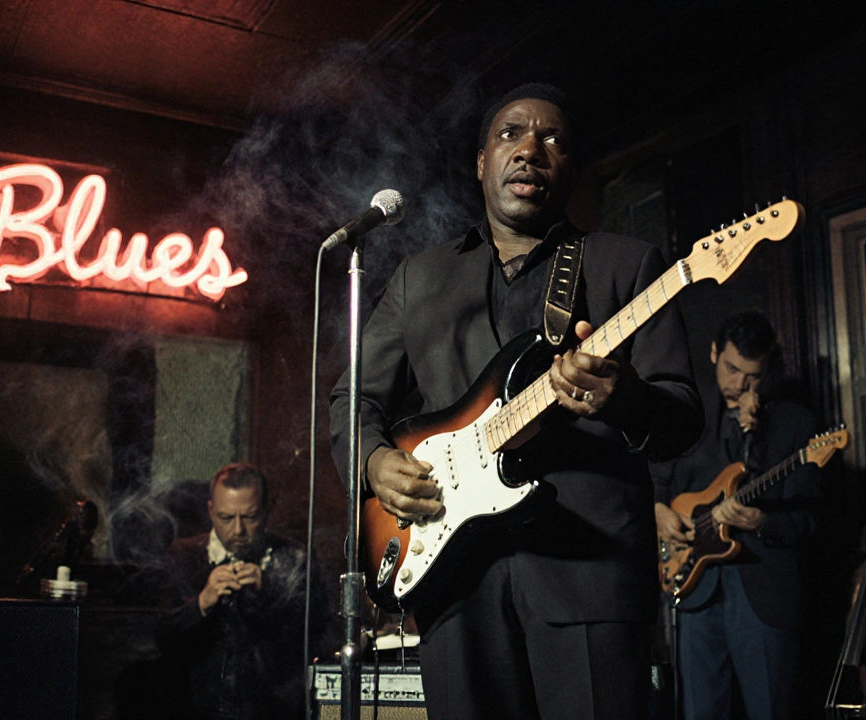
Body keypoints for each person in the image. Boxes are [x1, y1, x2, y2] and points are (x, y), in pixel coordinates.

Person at [329, 83, 702, 720]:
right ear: (481, 163)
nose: (530, 149)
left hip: (589, 575)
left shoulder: (628, 265)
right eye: (510, 135)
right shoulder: (419, 276)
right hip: (451, 579)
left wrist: (625, 398)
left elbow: (683, 416)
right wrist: (372, 461)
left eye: (552, 139)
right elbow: (352, 398)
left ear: (572, 170)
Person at [651, 312, 820, 720]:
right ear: (712, 353)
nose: (739, 384)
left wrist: (760, 521)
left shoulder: (796, 425)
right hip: (693, 587)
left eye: (752, 375)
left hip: (763, 594)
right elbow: (656, 478)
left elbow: (812, 521)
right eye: (731, 369)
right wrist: (657, 511)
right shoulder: (687, 415)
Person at [154, 462, 324, 720]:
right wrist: (202, 602)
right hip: (195, 710)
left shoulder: (295, 557)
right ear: (211, 511)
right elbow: (162, 638)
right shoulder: (184, 555)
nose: (237, 530)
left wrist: (269, 592)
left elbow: (313, 638)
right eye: (226, 518)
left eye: (249, 517)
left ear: (266, 512)